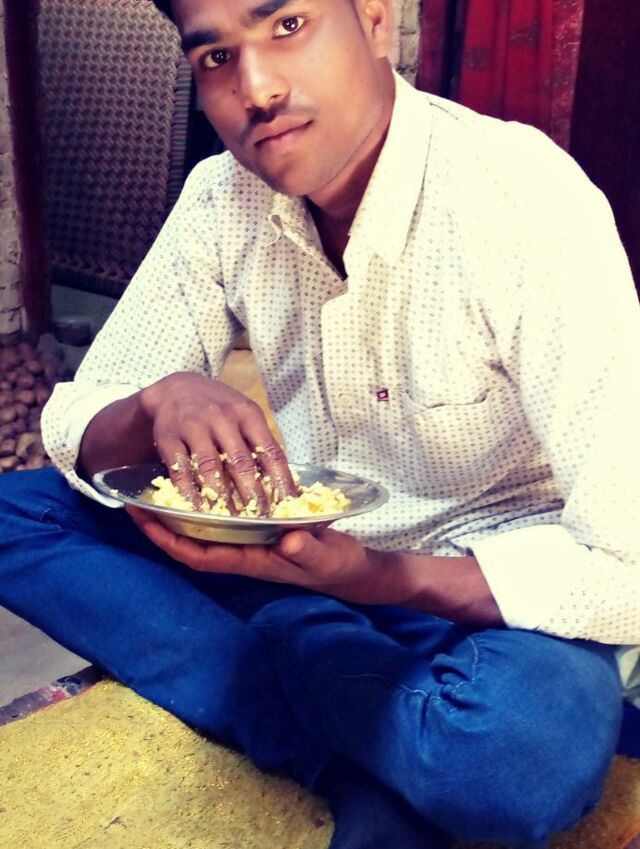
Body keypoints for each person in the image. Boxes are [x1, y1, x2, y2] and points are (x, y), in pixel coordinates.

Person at [1, 0, 639, 845]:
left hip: (476, 595)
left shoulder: (525, 202)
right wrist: (157, 399)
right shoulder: (221, 197)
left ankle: (288, 654)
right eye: (215, 58)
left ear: (373, 21)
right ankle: (354, 750)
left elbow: (628, 565)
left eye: (288, 26)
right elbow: (78, 417)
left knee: (516, 760)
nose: (257, 88)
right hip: (293, 551)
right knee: (17, 516)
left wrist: (380, 577)